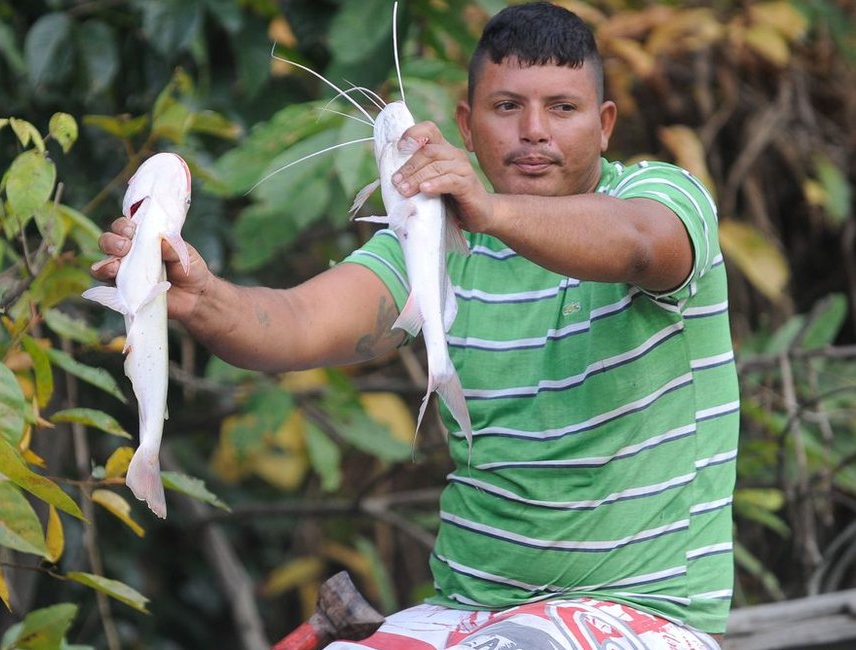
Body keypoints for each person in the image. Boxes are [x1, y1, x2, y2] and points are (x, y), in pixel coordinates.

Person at [91, 3, 738, 648]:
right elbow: (300, 321)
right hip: (465, 609)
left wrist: (492, 209)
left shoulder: (663, 196)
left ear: (604, 126)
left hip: (641, 615)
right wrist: (202, 297)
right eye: (507, 106)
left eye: (562, 109)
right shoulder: (431, 233)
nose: (534, 130)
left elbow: (640, 246)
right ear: (467, 123)